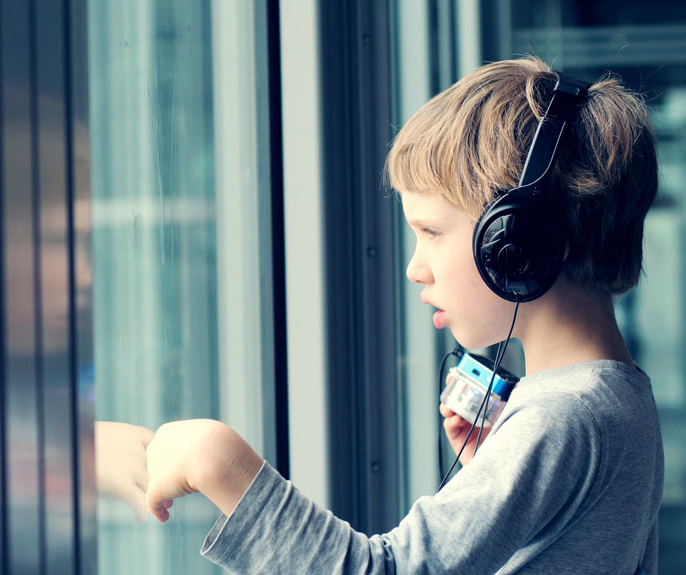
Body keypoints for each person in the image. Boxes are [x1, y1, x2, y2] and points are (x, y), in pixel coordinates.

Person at [143, 57, 665, 573]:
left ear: (517, 242)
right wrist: (495, 467)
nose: (416, 269)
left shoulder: (564, 418)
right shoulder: (619, 399)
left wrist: (219, 463)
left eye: (432, 233)